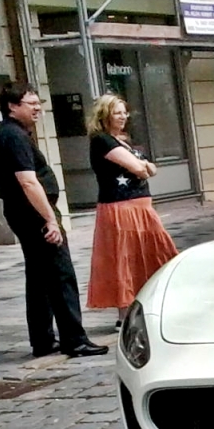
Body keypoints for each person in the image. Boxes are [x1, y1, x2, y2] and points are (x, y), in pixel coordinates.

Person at [0, 83, 105, 358]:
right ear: (12, 107)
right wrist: (51, 220)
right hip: (33, 213)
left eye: (38, 102)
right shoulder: (14, 137)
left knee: (39, 277)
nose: (38, 107)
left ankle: (42, 340)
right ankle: (74, 340)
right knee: (60, 274)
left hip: (24, 212)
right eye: (31, 103)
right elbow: (28, 182)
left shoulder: (10, 134)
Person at [85, 94, 177, 322]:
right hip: (121, 208)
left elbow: (151, 168)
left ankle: (150, 304)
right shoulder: (102, 140)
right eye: (117, 112)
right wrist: (142, 167)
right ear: (104, 115)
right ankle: (124, 315)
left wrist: (144, 167)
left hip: (141, 207)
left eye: (124, 112)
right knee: (124, 260)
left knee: (154, 254)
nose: (123, 116)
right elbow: (139, 168)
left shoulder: (123, 140)